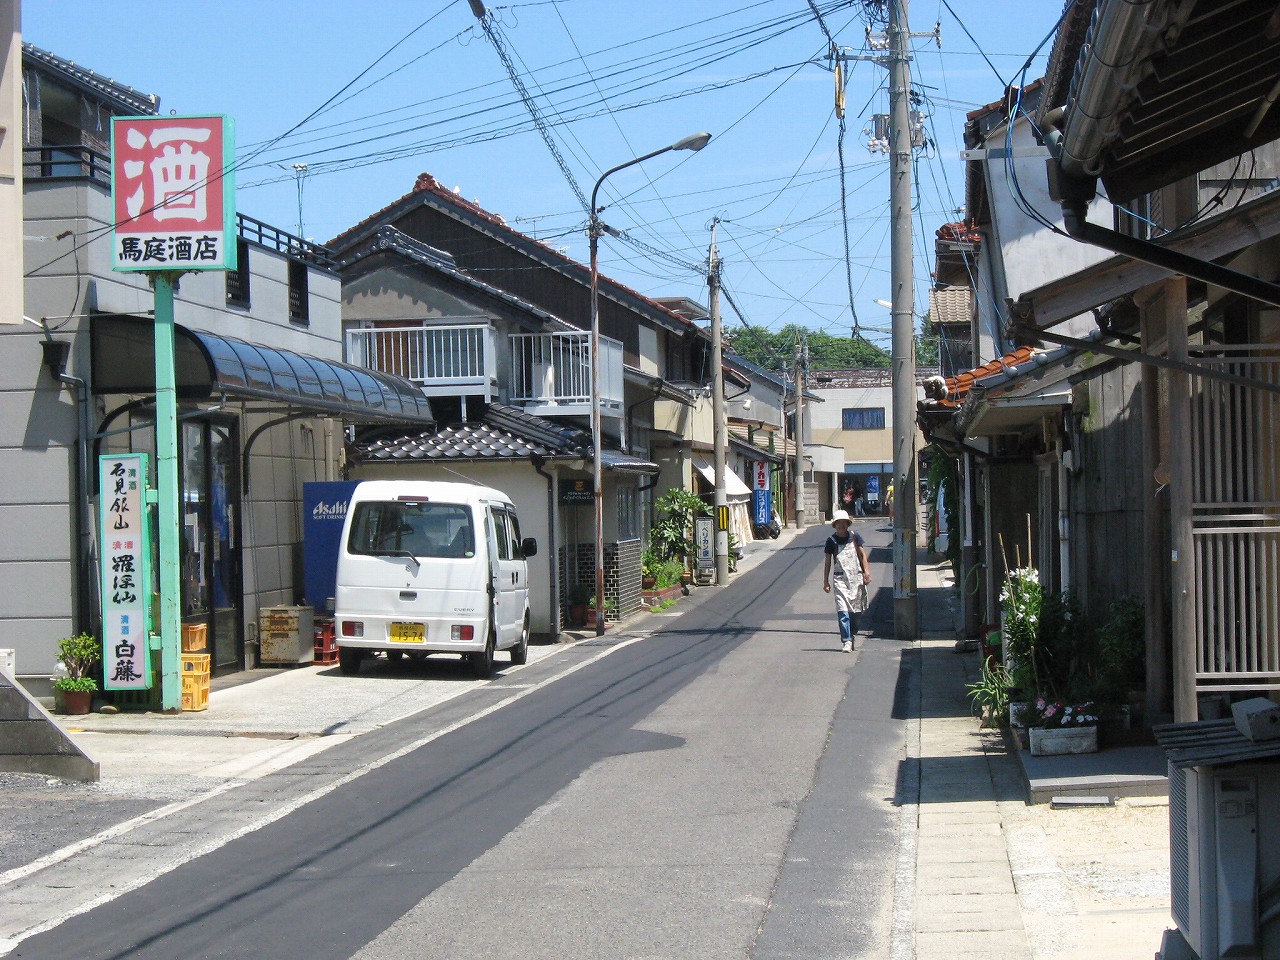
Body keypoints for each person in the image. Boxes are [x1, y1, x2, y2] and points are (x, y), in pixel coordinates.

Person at [822, 509, 872, 653]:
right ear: (834, 525)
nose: (841, 526)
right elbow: (827, 562)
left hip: (856, 578)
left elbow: (862, 555)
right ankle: (847, 640)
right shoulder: (831, 541)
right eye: (838, 523)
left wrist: (867, 572)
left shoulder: (855, 537)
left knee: (856, 612)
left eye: (844, 523)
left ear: (848, 524)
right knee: (843, 610)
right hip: (840, 580)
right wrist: (826, 581)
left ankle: (852, 633)